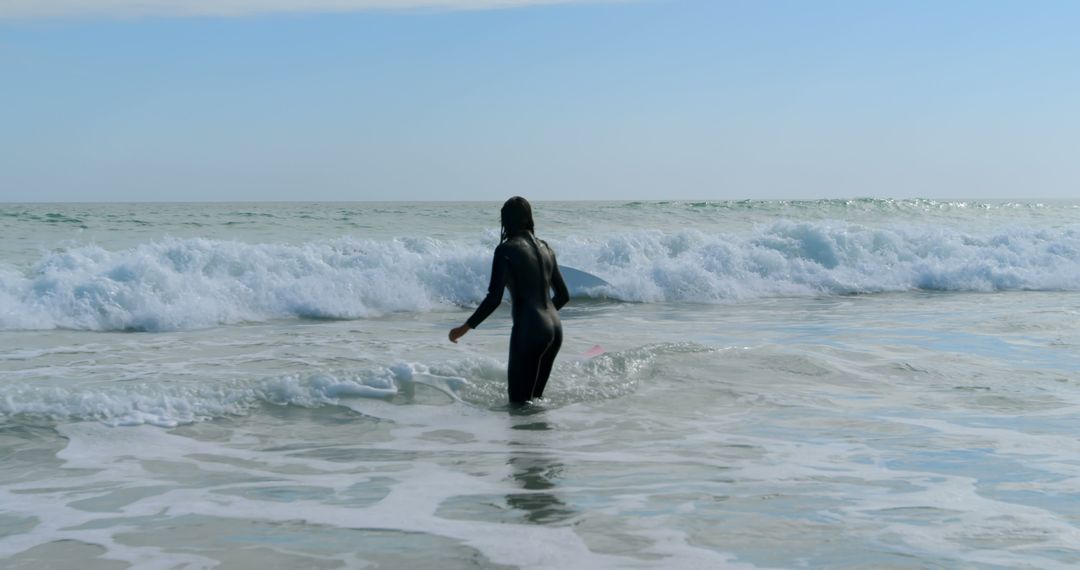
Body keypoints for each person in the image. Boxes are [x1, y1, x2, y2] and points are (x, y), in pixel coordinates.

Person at [449, 197, 570, 404]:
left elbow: (494, 299)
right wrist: (543, 319)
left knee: (519, 406)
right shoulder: (546, 248)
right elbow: (564, 296)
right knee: (535, 403)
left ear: (506, 221)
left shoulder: (507, 250)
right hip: (555, 329)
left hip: (530, 330)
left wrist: (465, 327)